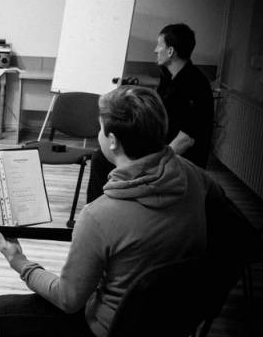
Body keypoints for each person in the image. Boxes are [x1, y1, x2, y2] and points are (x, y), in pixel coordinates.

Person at [0, 85, 221, 337]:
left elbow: (68, 299)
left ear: (112, 141)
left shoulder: (99, 216)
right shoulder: (195, 177)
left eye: (99, 127)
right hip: (171, 331)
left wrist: (20, 262)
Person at [86, 22, 213, 202]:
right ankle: (99, 208)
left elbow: (186, 139)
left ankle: (103, 210)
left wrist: (153, 164)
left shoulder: (196, 84)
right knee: (101, 157)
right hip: (159, 150)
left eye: (159, 45)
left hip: (176, 158)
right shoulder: (168, 78)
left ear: (170, 51)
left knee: (103, 160)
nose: (155, 50)